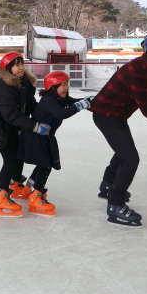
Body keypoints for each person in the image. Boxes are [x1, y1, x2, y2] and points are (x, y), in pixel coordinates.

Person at [88, 31, 147, 227]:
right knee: (130, 159)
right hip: (107, 115)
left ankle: (107, 185)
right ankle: (115, 205)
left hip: (115, 115)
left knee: (123, 153)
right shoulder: (140, 70)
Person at [18, 71, 94, 216]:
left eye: (67, 84)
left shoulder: (60, 98)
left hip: (44, 136)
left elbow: (72, 101)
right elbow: (61, 114)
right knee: (45, 165)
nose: (66, 88)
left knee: (43, 163)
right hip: (36, 136)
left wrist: (87, 100)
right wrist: (80, 106)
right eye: (63, 85)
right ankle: (36, 196)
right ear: (53, 87)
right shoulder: (49, 99)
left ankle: (29, 188)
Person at [0, 52, 41, 218]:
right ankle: (2, 194)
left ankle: (15, 184)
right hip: (2, 129)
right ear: (8, 68)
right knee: (10, 159)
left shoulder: (23, 83)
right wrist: (33, 125)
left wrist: (46, 112)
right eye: (17, 65)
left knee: (19, 156)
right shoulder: (4, 87)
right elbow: (10, 114)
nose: (21, 68)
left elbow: (31, 105)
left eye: (22, 64)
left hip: (16, 128)